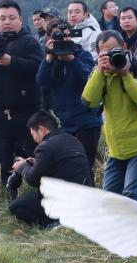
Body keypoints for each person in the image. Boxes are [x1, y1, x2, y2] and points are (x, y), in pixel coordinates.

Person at [0, 0, 43, 184]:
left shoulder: (30, 42)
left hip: (27, 111)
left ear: (20, 19)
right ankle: (1, 196)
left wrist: (11, 61)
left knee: (31, 155)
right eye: (2, 18)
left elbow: (37, 68)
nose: (7, 22)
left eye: (12, 18)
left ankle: (35, 195)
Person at [82, 29, 137, 202]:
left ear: (124, 46)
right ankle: (118, 229)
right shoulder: (100, 72)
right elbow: (88, 102)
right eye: (104, 53)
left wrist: (125, 75)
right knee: (110, 200)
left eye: (114, 50)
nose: (110, 56)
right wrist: (100, 72)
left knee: (131, 194)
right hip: (116, 148)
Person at [37, 17, 100, 178]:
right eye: (57, 35)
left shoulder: (82, 55)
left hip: (86, 122)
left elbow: (88, 79)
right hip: (64, 124)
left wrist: (71, 60)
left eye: (66, 35)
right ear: (49, 38)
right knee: (68, 168)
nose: (63, 39)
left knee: (85, 167)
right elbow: (42, 81)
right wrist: (49, 59)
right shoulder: (51, 60)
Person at [8, 110, 92, 227]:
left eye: (33, 134)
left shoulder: (45, 146)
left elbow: (33, 179)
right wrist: (36, 164)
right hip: (84, 200)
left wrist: (22, 167)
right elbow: (61, 168)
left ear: (42, 130)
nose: (34, 139)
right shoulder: (73, 140)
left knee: (16, 207)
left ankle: (54, 223)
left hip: (63, 201)